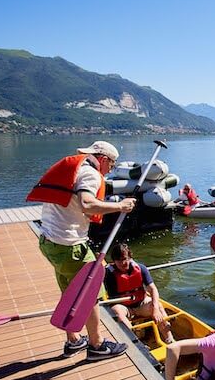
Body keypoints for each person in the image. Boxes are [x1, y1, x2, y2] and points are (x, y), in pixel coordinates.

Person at [27, 140, 133, 360]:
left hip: (50, 243)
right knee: (89, 294)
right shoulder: (91, 174)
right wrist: (120, 206)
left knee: (70, 292)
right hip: (70, 246)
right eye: (111, 165)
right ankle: (97, 346)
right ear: (103, 159)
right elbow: (87, 204)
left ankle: (73, 340)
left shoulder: (75, 169)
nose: (110, 170)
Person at [104, 243, 174, 343]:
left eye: (125, 259)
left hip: (141, 304)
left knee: (158, 305)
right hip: (123, 307)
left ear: (130, 257)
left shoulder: (140, 268)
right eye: (119, 260)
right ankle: (135, 342)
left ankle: (169, 339)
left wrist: (155, 309)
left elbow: (153, 289)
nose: (123, 263)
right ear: (114, 261)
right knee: (116, 311)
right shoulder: (107, 273)